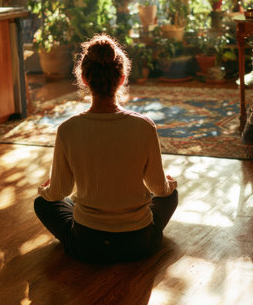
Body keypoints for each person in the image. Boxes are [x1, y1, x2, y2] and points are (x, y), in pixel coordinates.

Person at [34, 34, 178, 264]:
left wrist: (45, 190)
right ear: (121, 79)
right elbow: (159, 190)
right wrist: (170, 184)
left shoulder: (67, 129)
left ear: (84, 78)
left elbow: (59, 192)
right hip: (139, 243)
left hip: (88, 244)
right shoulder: (144, 126)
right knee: (170, 197)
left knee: (43, 204)